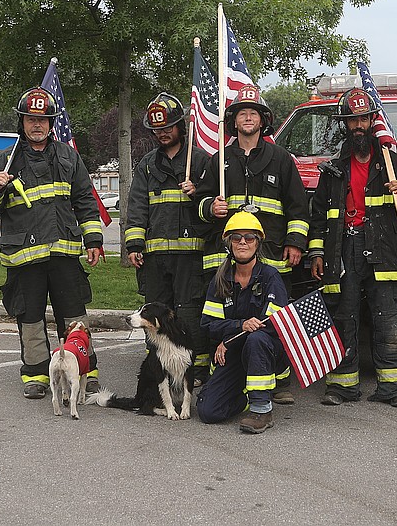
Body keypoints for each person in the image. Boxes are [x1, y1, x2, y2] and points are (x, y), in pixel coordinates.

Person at [0, 87, 105, 399]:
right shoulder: (7, 161)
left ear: (51, 124)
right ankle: (36, 374)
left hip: (63, 251)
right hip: (24, 256)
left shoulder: (68, 156)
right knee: (31, 318)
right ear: (22, 122)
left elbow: (85, 200)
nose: (37, 125)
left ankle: (85, 371)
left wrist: (92, 239)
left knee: (74, 317)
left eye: (43, 120)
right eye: (31, 119)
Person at [308, 88, 397, 408]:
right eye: (352, 120)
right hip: (343, 249)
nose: (358, 125)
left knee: (387, 316)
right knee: (344, 316)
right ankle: (343, 386)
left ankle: (393, 388)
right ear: (345, 124)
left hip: (384, 249)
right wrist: (317, 253)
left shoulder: (391, 161)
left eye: (363, 118)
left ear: (373, 120)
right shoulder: (333, 168)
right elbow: (320, 216)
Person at [196, 83, 309, 404]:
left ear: (263, 120)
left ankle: (280, 379)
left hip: (272, 256)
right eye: (242, 113)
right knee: (229, 314)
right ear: (233, 121)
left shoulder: (281, 160)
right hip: (229, 259)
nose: (248, 118)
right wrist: (210, 207)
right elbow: (199, 205)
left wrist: (296, 242)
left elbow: (298, 207)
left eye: (254, 113)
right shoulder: (218, 160)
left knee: (275, 319)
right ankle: (226, 370)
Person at [124, 92, 214, 384]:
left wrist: (197, 193)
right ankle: (158, 365)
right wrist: (135, 244)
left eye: (168, 127)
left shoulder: (200, 161)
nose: (162, 133)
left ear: (180, 127)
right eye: (157, 129)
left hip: (191, 255)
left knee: (189, 312)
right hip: (155, 257)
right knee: (155, 311)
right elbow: (137, 205)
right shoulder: (147, 165)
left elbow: (215, 205)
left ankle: (195, 367)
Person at [197, 212, 289, 433]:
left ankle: (261, 410)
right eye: (236, 237)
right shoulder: (220, 280)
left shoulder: (270, 277)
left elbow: (273, 324)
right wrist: (239, 327)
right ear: (229, 243)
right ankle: (246, 396)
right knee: (208, 412)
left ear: (258, 243)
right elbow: (208, 324)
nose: (243, 242)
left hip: (266, 352)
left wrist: (228, 341)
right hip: (236, 351)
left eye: (249, 237)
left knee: (257, 338)